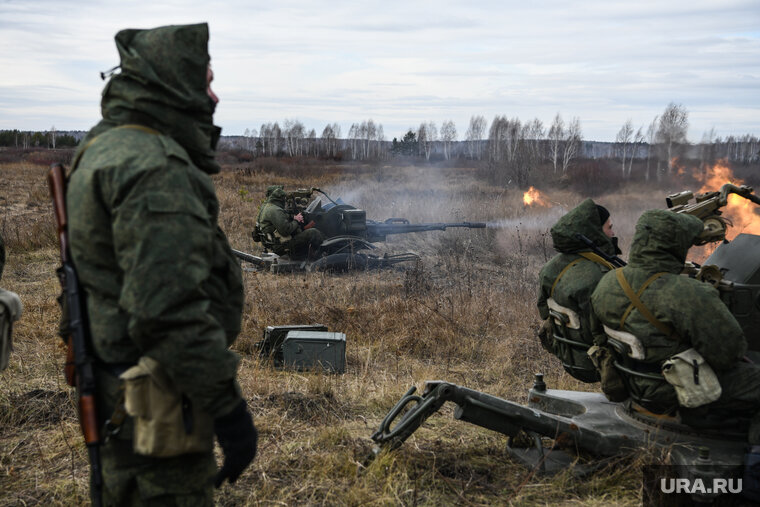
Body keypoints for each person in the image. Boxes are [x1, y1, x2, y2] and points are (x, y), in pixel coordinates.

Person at [66, 23, 257, 505]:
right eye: (205, 80)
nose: (213, 95)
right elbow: (167, 311)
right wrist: (230, 411)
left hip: (122, 390)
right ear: (174, 81)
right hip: (155, 402)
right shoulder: (154, 168)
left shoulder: (106, 146)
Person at [590, 209, 760, 443]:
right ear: (675, 245)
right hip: (674, 390)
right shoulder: (689, 294)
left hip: (633, 384)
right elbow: (729, 354)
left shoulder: (607, 282)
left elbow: (597, 336)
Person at [537, 198, 620, 383]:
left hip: (567, 353)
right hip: (598, 363)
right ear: (595, 233)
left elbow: (543, 312)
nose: (613, 233)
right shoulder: (600, 275)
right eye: (609, 228)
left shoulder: (550, 269)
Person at [257, 187, 324, 259]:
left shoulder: (268, 207)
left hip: (274, 244)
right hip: (282, 246)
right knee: (313, 233)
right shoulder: (276, 211)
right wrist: (296, 220)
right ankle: (321, 255)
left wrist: (293, 217)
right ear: (280, 200)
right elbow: (285, 230)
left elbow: (283, 216)